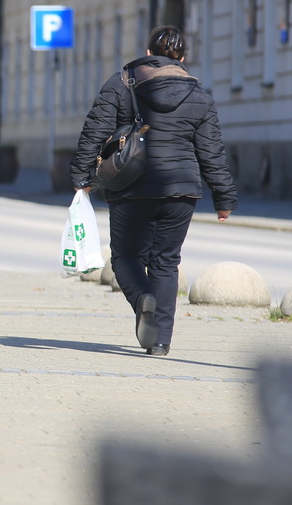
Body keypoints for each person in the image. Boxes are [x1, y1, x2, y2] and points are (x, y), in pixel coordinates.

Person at [69, 25, 237, 356]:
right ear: (183, 58)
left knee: (125, 257)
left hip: (130, 185)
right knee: (166, 262)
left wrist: (81, 175)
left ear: (148, 54)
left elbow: (94, 131)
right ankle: (160, 342)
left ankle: (142, 298)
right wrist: (224, 197)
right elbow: (211, 152)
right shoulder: (199, 95)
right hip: (181, 190)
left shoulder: (121, 83)